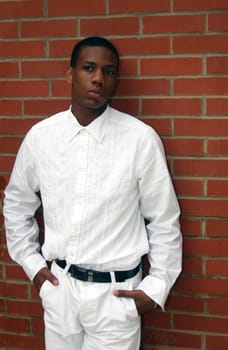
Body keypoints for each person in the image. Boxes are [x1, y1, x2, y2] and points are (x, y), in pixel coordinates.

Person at [3, 36, 182, 350]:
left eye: (109, 71)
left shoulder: (140, 140)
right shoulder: (42, 137)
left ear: (115, 81)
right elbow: (17, 204)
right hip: (60, 290)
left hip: (116, 298)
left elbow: (164, 219)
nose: (98, 77)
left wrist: (156, 287)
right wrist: (33, 267)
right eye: (89, 68)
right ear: (70, 73)